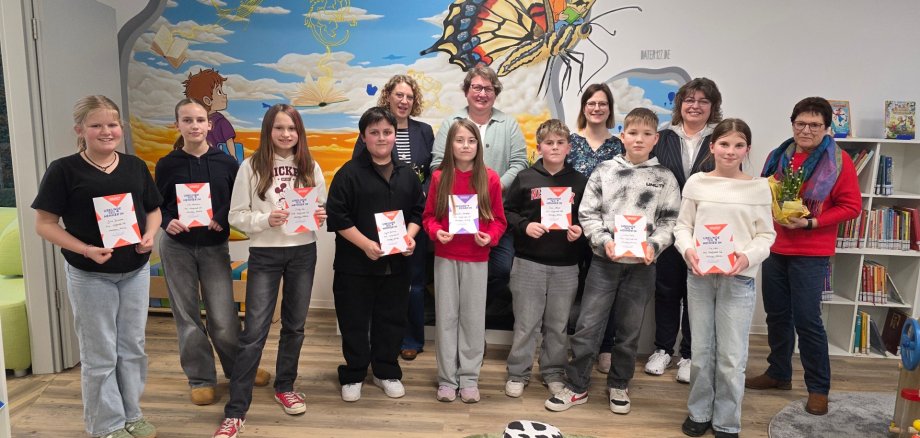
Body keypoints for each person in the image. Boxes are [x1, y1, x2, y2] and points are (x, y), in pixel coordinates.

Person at [32, 95, 162, 438]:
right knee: (100, 351)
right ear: (80, 130)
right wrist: (85, 249)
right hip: (90, 275)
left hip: (135, 270)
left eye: (112, 124)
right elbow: (45, 224)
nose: (106, 131)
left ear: (121, 127)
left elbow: (153, 209)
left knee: (132, 347)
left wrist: (150, 235)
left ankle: (132, 414)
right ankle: (107, 424)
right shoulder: (63, 170)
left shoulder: (134, 166)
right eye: (96, 125)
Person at [545, 108, 679, 415]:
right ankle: (576, 386)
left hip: (642, 266)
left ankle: (619, 383)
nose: (639, 139)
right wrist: (604, 241)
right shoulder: (605, 171)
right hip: (604, 263)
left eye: (647, 134)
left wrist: (653, 246)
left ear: (656, 139)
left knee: (629, 331)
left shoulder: (665, 178)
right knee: (587, 326)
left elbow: (670, 221)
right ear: (622, 136)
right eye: (633, 133)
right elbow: (588, 214)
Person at [214, 104, 327, 438]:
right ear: (269, 130)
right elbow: (236, 215)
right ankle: (236, 411)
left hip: (303, 252)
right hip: (265, 253)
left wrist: (320, 215)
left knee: (295, 326)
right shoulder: (250, 166)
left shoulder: (310, 166)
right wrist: (266, 220)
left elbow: (319, 208)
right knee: (254, 332)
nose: (286, 134)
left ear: (299, 132)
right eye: (279, 128)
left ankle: (285, 386)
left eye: (292, 128)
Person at [746, 97, 861, 416]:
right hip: (775, 248)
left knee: (808, 321)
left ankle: (818, 389)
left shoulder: (839, 162)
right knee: (776, 315)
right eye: (800, 123)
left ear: (827, 128)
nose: (806, 130)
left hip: (811, 252)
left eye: (814, 125)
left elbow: (852, 206)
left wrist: (812, 222)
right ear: (792, 124)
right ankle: (778, 373)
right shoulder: (778, 155)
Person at [154, 98, 271, 407]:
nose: (194, 125)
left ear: (209, 124)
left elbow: (236, 201)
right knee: (187, 315)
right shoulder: (167, 164)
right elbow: (156, 204)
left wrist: (220, 217)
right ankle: (201, 379)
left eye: (199, 120)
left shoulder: (227, 163)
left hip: (213, 246)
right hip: (176, 247)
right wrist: (167, 221)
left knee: (223, 316)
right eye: (187, 120)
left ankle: (239, 371)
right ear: (177, 125)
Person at [673, 119, 775, 438]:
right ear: (712, 146)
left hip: (738, 279)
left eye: (738, 145)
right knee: (701, 351)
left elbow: (766, 235)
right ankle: (699, 411)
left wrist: (747, 256)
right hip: (700, 278)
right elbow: (683, 227)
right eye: (724, 144)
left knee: (732, 356)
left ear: (747, 149)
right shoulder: (697, 184)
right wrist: (689, 250)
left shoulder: (758, 187)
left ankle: (727, 420)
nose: (731, 151)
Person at [327, 107, 425, 402]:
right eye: (374, 132)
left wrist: (409, 237)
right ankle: (354, 373)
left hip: (396, 265)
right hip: (355, 265)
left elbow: (418, 212)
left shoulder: (408, 174)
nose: (381, 138)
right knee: (354, 320)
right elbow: (338, 217)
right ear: (363, 137)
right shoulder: (348, 174)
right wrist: (365, 245)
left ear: (395, 135)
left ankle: (386, 371)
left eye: (387, 132)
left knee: (391, 319)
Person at [430, 66, 526, 327]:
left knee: (501, 270)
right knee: (452, 280)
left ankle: (476, 323)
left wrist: (492, 187)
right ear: (466, 91)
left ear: (495, 93)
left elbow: (519, 163)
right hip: (454, 221)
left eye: (488, 88)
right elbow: (437, 163)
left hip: (494, 215)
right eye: (476, 87)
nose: (482, 93)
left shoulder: (509, 124)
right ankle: (464, 324)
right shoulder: (451, 122)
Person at [646, 77, 723, 384]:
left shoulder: (720, 138)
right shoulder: (663, 137)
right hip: (666, 227)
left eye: (703, 101)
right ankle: (663, 349)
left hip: (704, 230)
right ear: (679, 104)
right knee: (666, 289)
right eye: (689, 100)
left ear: (713, 107)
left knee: (697, 292)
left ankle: (690, 354)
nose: (695, 106)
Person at [424, 118, 507, 403]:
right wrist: (437, 232)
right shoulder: (440, 178)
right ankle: (447, 379)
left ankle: (469, 378)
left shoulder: (490, 178)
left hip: (476, 258)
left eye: (471, 141)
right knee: (446, 318)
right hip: (446, 257)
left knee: (472, 319)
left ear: (478, 146)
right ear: (450, 145)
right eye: (459, 140)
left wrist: (490, 237)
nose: (465, 146)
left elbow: (499, 220)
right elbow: (429, 217)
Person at [503, 119, 587, 398]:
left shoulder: (579, 182)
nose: (554, 147)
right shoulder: (525, 178)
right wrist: (525, 225)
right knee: (526, 324)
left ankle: (553, 372)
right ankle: (518, 372)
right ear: (539, 147)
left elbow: (588, 218)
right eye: (549, 143)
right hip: (529, 262)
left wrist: (580, 231)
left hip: (566, 265)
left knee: (558, 326)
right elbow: (507, 212)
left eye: (560, 142)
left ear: (569, 147)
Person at [353, 74, 434, 361]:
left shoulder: (425, 131)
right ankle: (381, 339)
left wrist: (422, 194)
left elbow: (433, 170)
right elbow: (358, 170)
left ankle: (411, 338)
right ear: (388, 96)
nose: (404, 101)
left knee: (414, 281)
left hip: (413, 217)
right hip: (379, 219)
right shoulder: (373, 128)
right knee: (380, 281)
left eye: (409, 96)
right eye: (399, 95)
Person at [565, 82, 624, 374]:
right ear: (584, 108)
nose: (597, 108)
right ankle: (572, 345)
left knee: (607, 289)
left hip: (607, 229)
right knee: (572, 288)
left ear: (609, 109)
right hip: (570, 227)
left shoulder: (619, 146)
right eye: (591, 103)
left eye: (602, 103)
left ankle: (605, 347)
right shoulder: (569, 142)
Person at [183, 68, 238, 161]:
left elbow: (229, 141)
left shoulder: (219, 121)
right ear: (207, 101)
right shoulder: (220, 121)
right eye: (219, 92)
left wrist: (233, 157)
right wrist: (233, 157)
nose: (225, 95)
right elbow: (229, 141)